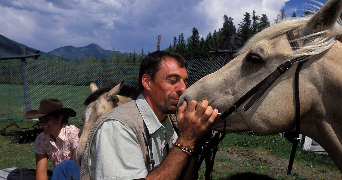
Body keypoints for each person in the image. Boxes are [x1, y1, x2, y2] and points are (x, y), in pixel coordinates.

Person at [81, 51, 218, 179]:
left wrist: (194, 143)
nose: (183, 89)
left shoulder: (171, 121)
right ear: (147, 82)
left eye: (185, 82)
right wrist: (187, 141)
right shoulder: (116, 127)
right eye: (172, 80)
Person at [24, 98, 80, 180]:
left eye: (47, 119)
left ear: (59, 118)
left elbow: (77, 166)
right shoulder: (41, 139)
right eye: (40, 120)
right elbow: (41, 172)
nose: (43, 123)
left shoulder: (73, 133)